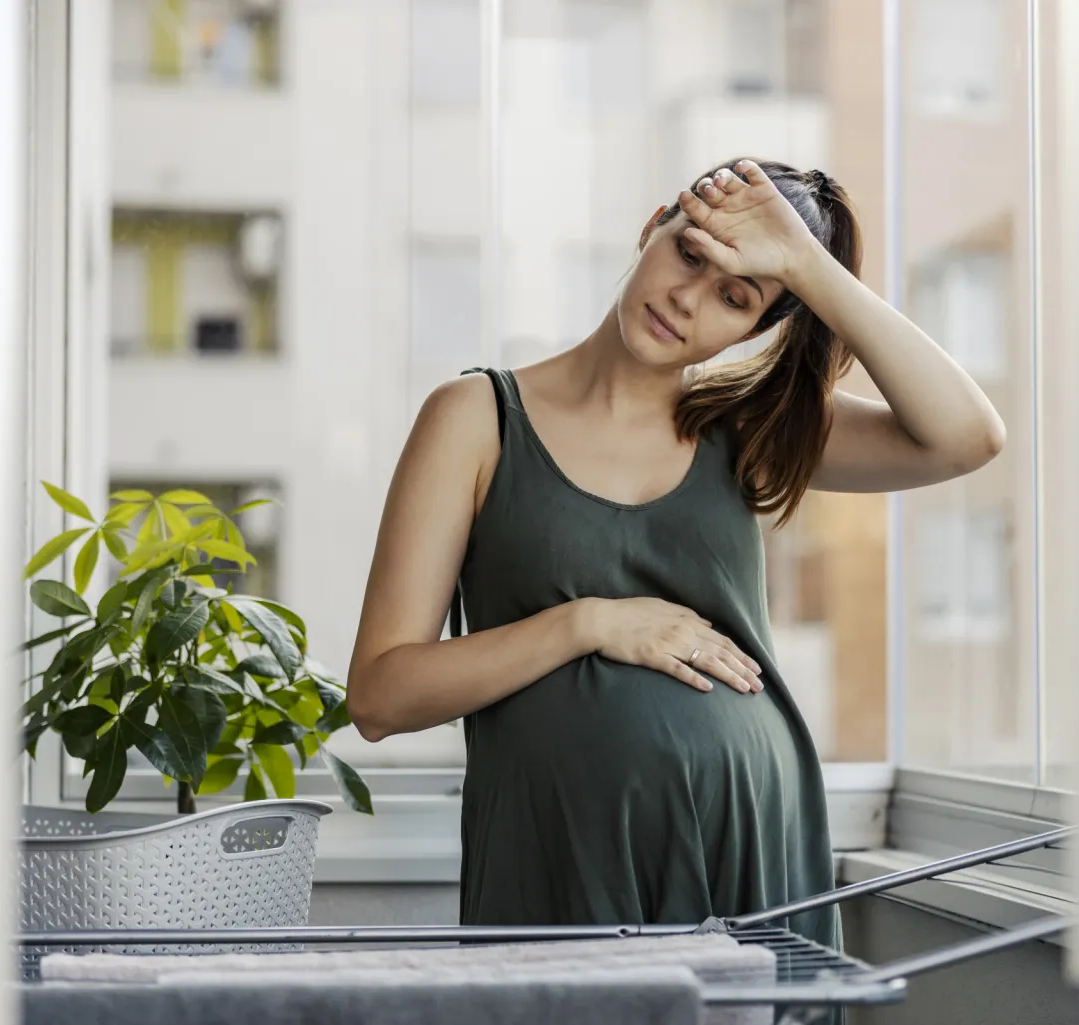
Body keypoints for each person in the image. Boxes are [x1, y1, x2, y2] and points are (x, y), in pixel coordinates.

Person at [346, 158, 1004, 948]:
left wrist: (804, 265)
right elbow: (380, 697)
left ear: (757, 329)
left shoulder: (748, 430)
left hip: (753, 848)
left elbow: (968, 438)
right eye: (690, 253)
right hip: (559, 857)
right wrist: (589, 624)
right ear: (654, 223)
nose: (687, 301)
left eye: (736, 297)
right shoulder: (476, 418)